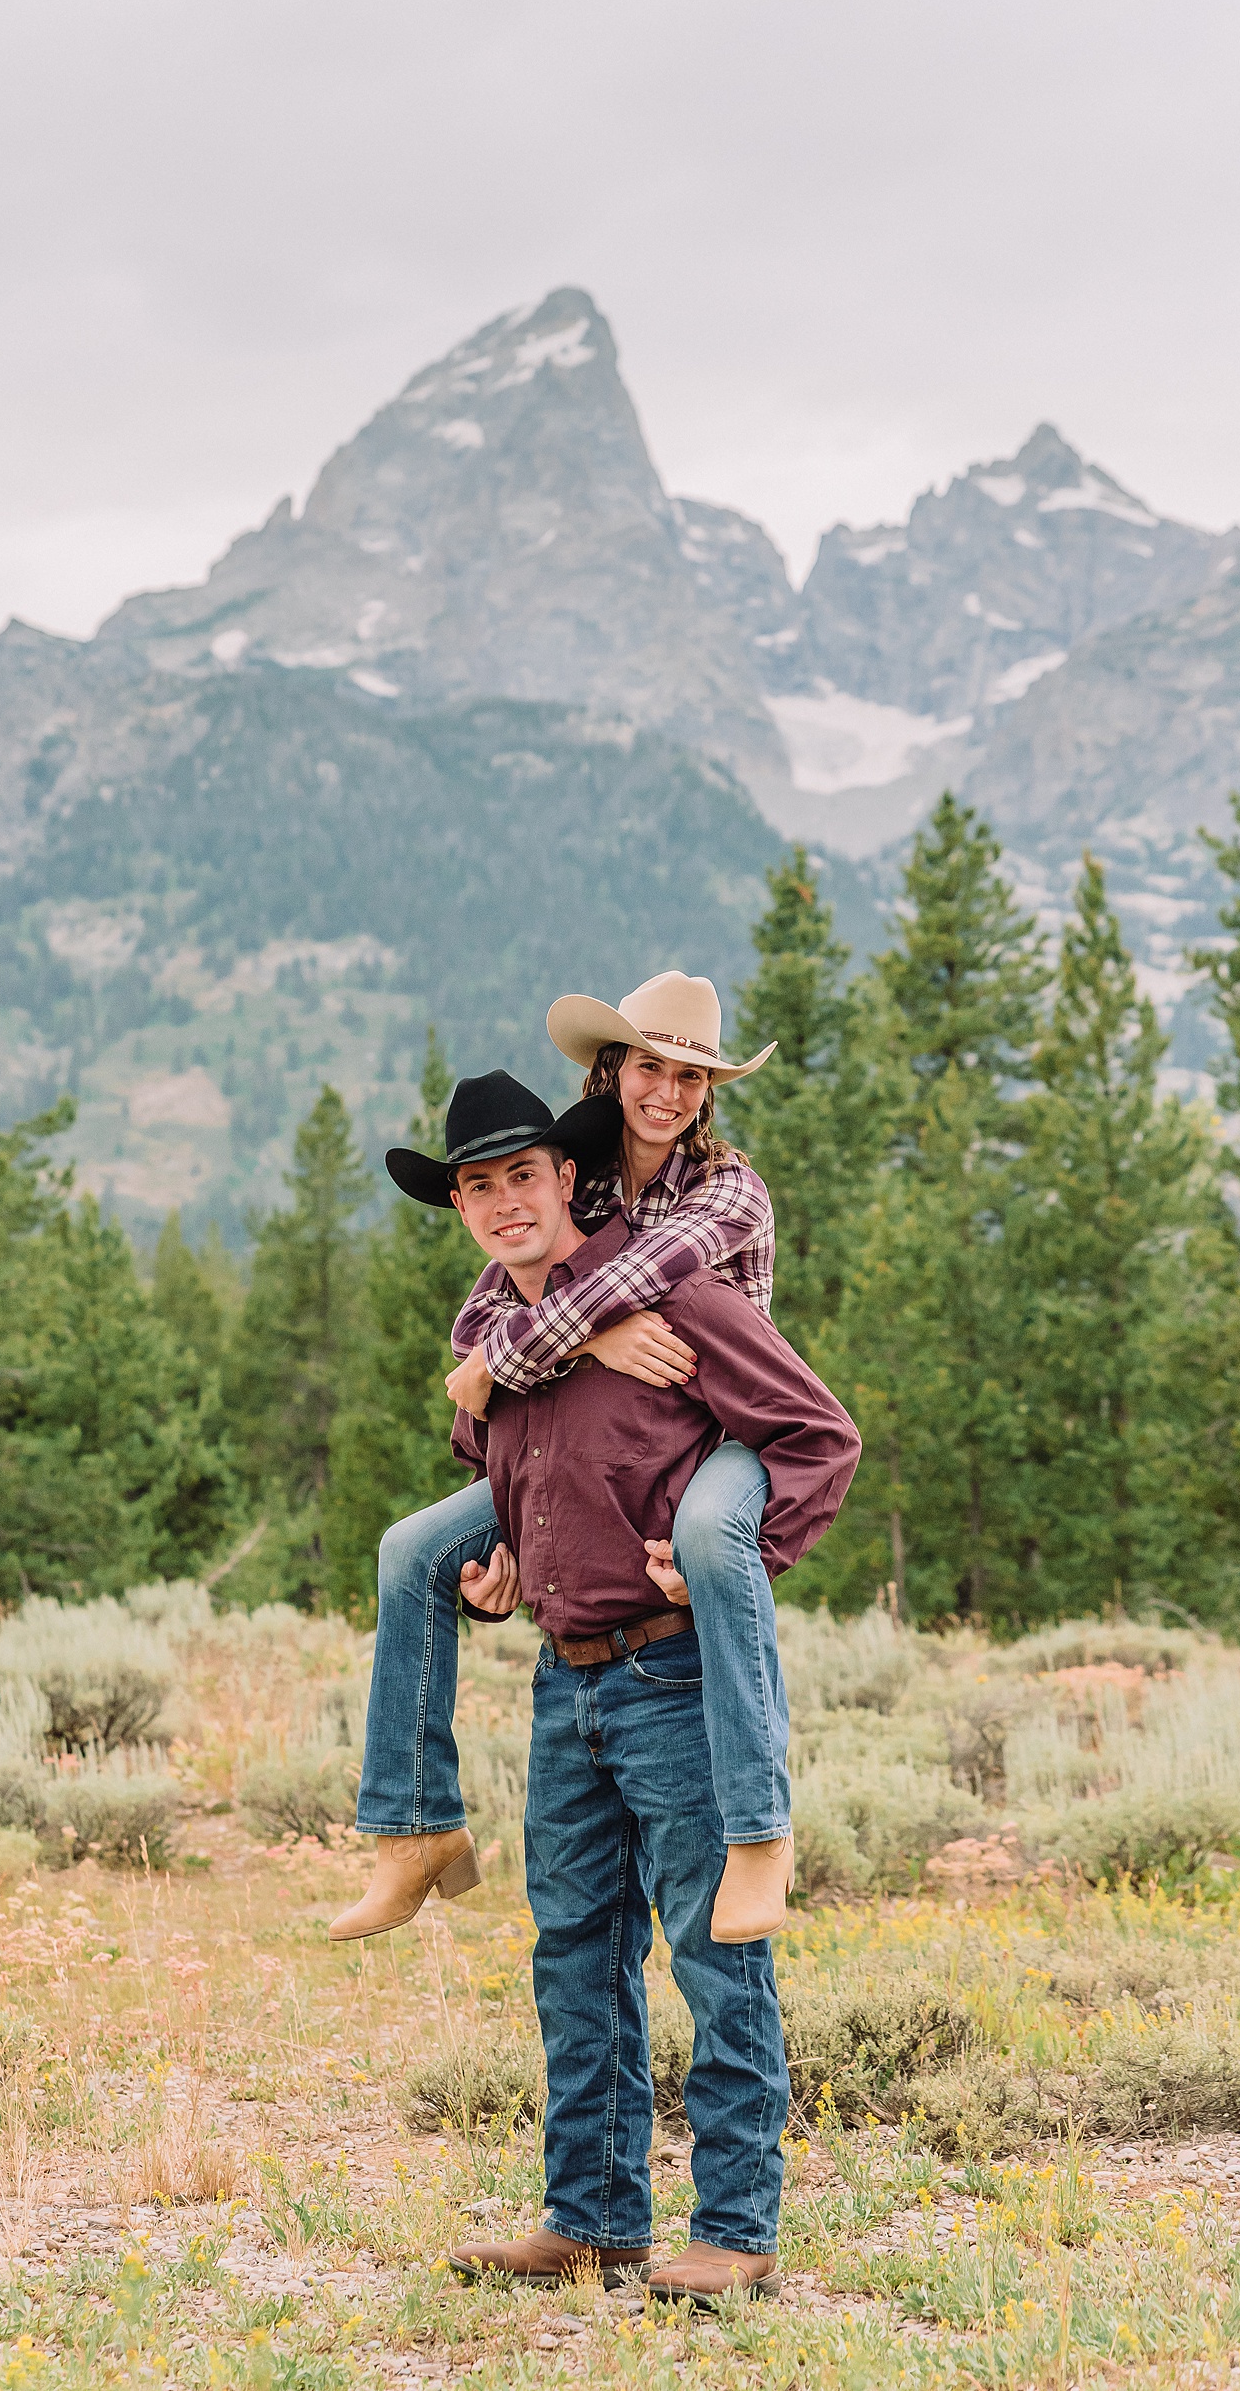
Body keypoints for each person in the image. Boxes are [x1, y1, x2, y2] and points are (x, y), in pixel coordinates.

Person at [402, 1077, 858, 2301]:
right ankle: (592, 2218)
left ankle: (735, 2233)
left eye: (524, 1177)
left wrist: (739, 1568)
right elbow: (513, 1478)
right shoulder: (499, 1342)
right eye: (479, 1186)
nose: (505, 1203)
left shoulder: (676, 1292)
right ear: (460, 1205)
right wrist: (503, 1571)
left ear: (566, 1178)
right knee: (576, 1955)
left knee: (715, 1956)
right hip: (567, 1683)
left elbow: (820, 1435)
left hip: (672, 1669)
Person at [331, 972, 798, 1947]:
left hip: (716, 1434)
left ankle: (762, 1830)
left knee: (714, 1536)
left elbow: (637, 1277)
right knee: (410, 1553)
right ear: (610, 1070)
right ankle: (413, 1826)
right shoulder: (565, 1184)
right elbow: (483, 1319)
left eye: (690, 1076)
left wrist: (519, 1353)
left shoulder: (724, 1189)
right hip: (589, 1455)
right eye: (649, 1068)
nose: (667, 1093)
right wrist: (570, 1346)